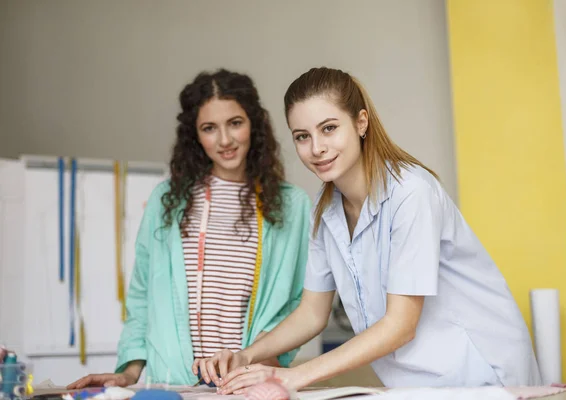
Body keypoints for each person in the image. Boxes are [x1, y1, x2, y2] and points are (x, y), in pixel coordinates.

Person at [195, 67, 542, 395]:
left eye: (329, 128)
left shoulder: (411, 193)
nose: (316, 148)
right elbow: (312, 313)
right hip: (415, 384)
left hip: (481, 373)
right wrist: (246, 356)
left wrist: (294, 376)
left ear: (361, 122)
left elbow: (400, 324)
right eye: (303, 136)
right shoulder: (325, 208)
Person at [68, 69, 311, 388]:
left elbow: (300, 301)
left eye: (235, 123)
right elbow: (142, 295)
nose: (225, 140)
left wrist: (268, 356)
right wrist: (129, 372)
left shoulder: (292, 206)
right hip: (174, 386)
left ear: (254, 124)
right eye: (209, 128)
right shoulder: (167, 201)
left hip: (249, 385)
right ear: (195, 135)